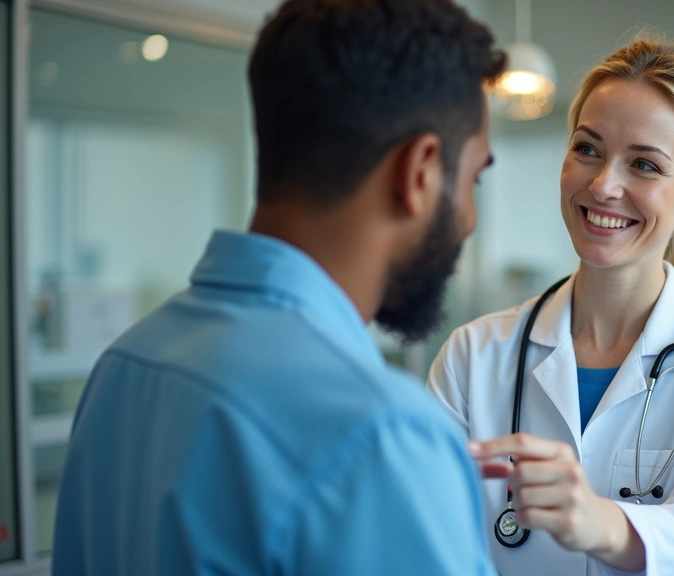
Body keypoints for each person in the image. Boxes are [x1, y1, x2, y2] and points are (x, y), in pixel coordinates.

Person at [51, 0, 504, 574]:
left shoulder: (126, 363)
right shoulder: (383, 433)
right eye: (473, 179)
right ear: (419, 172)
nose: (469, 216)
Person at [428, 38, 674, 575]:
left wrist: (597, 522)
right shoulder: (474, 353)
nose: (603, 185)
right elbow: (425, 532)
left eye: (644, 164)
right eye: (587, 149)